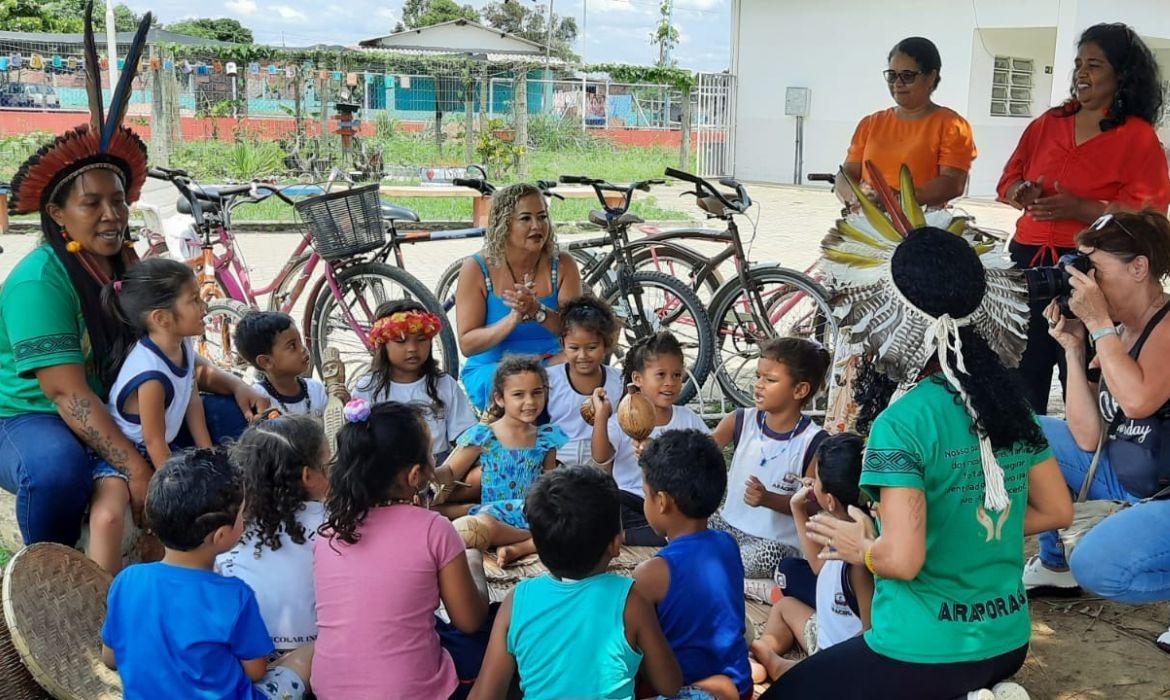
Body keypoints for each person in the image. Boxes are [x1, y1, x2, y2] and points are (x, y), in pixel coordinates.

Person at [760, 225, 1072, 698]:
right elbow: (1057, 510)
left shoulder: (902, 423)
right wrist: (958, 526)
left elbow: (903, 562)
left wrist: (863, 546)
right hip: (1008, 639)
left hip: (925, 649)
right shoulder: (1009, 405)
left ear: (893, 318)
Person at [0, 9, 268, 548]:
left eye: (118, 200)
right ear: (57, 214)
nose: (112, 215)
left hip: (122, 405)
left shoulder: (127, 262)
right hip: (29, 416)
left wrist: (238, 385)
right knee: (56, 470)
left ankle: (225, 549)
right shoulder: (39, 283)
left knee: (235, 423)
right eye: (91, 203)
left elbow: (170, 354)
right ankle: (52, 570)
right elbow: (67, 395)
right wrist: (140, 470)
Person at [997, 23, 1170, 414]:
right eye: (1078, 64)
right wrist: (1020, 191)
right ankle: (1026, 444)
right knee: (1022, 370)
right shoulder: (1048, 123)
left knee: (1081, 369)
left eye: (1094, 65)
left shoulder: (1138, 137)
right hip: (1028, 259)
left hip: (1092, 269)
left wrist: (1082, 209)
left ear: (1121, 75)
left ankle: (1086, 443)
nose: (1081, 73)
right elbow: (1007, 180)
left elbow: (1151, 212)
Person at [1021, 211, 1170, 644]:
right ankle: (1055, 565)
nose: (1086, 283)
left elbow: (1138, 401)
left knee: (1098, 566)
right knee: (1024, 433)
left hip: (1164, 493)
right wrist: (1073, 346)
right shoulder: (1119, 330)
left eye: (1095, 270)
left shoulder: (1163, 325)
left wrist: (1100, 325)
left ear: (1138, 268)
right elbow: (1086, 436)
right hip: (1128, 474)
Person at [312, 400, 492, 700]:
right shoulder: (433, 529)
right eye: (432, 455)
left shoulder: (329, 533)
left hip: (329, 690)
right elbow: (469, 620)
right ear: (414, 475)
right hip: (411, 692)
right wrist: (474, 565)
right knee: (491, 632)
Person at [101, 448, 314, 700]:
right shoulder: (234, 595)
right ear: (220, 535)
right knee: (309, 654)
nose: (246, 520)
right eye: (243, 515)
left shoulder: (127, 581)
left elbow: (110, 657)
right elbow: (256, 671)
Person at [470, 465, 683, 700]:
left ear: (537, 548)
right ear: (615, 544)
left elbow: (485, 695)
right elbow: (670, 685)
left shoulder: (516, 601)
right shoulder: (631, 601)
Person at [89, 258, 212, 573]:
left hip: (161, 447)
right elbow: (154, 440)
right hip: (124, 453)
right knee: (108, 517)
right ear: (162, 318)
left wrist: (208, 452)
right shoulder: (150, 374)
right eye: (194, 300)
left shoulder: (182, 343)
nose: (204, 306)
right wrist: (174, 487)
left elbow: (192, 398)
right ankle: (104, 589)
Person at [634, 429, 752, 700]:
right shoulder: (727, 543)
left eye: (645, 494)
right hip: (741, 685)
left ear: (661, 502)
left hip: (687, 691)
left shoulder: (651, 574)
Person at [749, 432, 872, 684]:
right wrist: (797, 508)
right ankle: (762, 651)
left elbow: (870, 633)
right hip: (827, 635)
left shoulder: (859, 562)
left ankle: (777, 664)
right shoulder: (846, 530)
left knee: (809, 672)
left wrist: (830, 663)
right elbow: (818, 566)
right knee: (784, 606)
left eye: (817, 480)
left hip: (838, 659)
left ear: (829, 500)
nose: (811, 483)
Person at [709, 337, 830, 580]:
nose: (759, 385)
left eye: (770, 380)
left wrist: (768, 499)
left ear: (800, 390)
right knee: (684, 523)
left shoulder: (813, 442)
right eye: (758, 376)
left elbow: (813, 505)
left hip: (774, 542)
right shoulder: (740, 420)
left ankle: (717, 564)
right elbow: (699, 453)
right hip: (728, 526)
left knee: (761, 557)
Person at [454, 183, 582, 411]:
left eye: (542, 217)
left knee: (581, 368)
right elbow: (467, 345)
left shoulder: (563, 264)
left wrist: (538, 311)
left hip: (549, 360)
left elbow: (577, 332)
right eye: (525, 218)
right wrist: (513, 318)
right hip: (494, 366)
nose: (537, 226)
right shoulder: (476, 268)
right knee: (520, 387)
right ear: (504, 224)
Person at [439, 356, 568, 566]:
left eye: (537, 392)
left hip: (532, 514)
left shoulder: (546, 438)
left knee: (572, 524)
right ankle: (534, 540)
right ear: (500, 398)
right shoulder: (484, 435)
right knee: (480, 526)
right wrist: (430, 473)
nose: (530, 402)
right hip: (495, 515)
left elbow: (550, 485)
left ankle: (518, 547)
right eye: (518, 394)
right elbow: (451, 472)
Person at [216, 414, 329, 654]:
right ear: (308, 476)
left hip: (248, 653)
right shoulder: (332, 523)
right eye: (327, 465)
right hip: (314, 652)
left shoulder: (230, 527)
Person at [589, 332, 711, 546]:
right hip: (629, 500)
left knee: (688, 518)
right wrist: (601, 416)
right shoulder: (622, 419)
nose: (670, 383)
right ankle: (637, 534)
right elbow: (600, 457)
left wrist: (658, 455)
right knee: (600, 504)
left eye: (676, 375)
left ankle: (625, 536)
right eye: (661, 375)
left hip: (670, 503)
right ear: (638, 379)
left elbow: (707, 459)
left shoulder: (688, 419)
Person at [840, 36, 976, 209]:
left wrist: (897, 200)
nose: (898, 83)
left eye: (907, 76)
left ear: (930, 77)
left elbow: (952, 183)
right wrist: (855, 196)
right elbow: (847, 173)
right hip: (867, 219)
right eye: (892, 75)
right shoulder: (871, 123)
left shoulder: (951, 125)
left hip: (921, 222)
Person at [351, 300, 475, 465]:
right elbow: (358, 444)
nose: (413, 348)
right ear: (382, 344)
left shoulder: (444, 384)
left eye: (421, 339)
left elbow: (466, 437)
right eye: (401, 341)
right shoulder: (367, 388)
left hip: (438, 467)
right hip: (384, 468)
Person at [545, 295, 623, 468]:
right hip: (558, 460)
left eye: (592, 347)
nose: (583, 356)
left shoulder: (618, 381)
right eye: (574, 348)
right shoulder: (550, 379)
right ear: (563, 344)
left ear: (606, 345)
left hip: (602, 462)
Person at [234, 312, 325, 418]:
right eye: (292, 346)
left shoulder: (316, 389)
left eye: (300, 342)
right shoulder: (259, 400)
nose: (303, 349)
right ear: (266, 361)